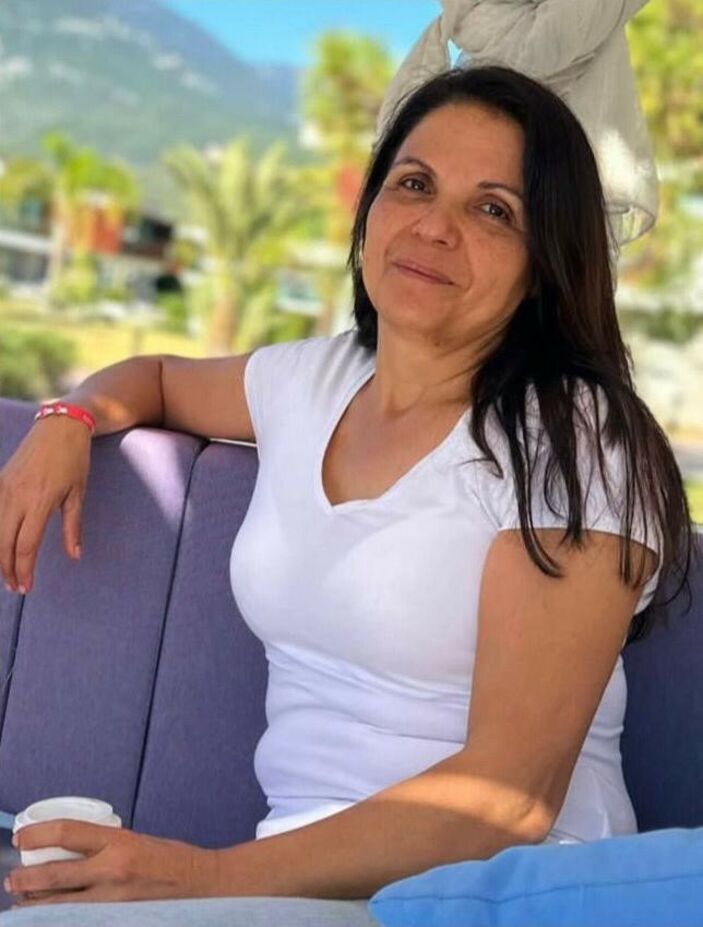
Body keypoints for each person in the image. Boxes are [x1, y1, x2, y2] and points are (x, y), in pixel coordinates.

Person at [0, 65, 695, 926]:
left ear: (545, 263)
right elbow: (159, 377)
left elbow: (509, 796)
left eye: (492, 210)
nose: (433, 226)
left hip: (486, 891)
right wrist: (66, 419)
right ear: (369, 211)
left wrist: (200, 876)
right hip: (288, 885)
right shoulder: (313, 379)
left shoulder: (575, 437)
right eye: (413, 183)